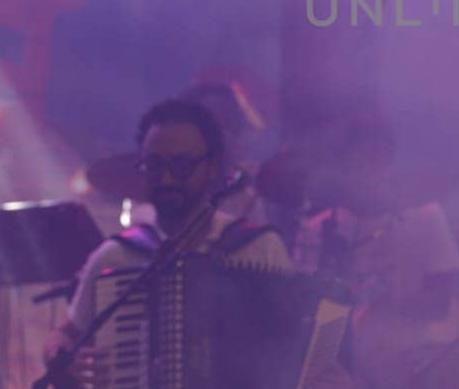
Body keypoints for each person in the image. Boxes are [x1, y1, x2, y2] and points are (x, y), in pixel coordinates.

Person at [47, 98, 294, 374]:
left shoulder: (260, 248)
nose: (165, 179)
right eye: (154, 166)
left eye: (182, 165)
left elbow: (296, 348)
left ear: (212, 167)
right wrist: (63, 358)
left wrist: (328, 383)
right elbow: (67, 334)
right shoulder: (116, 256)